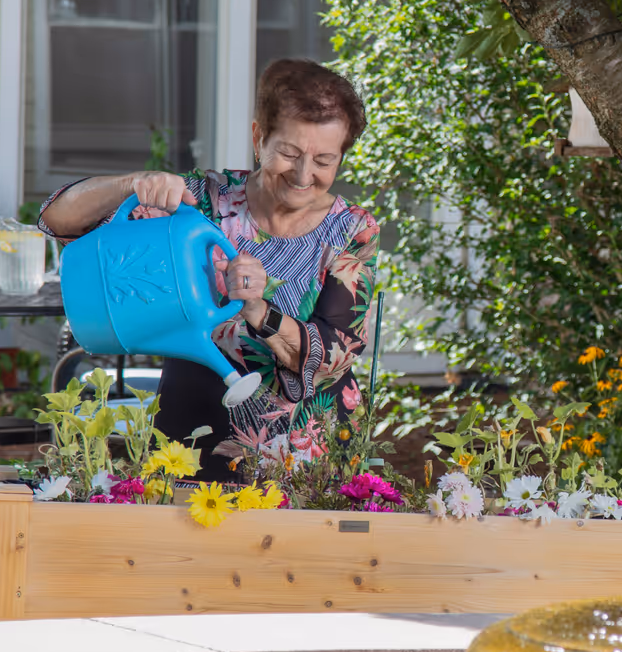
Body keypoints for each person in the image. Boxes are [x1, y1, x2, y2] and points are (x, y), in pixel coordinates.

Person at [40, 59, 380, 481]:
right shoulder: (198, 202)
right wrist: (133, 183)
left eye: (324, 160)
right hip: (194, 436)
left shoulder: (352, 229)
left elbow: (332, 357)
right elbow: (58, 220)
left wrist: (259, 310)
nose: (303, 174)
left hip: (311, 457)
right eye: (289, 152)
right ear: (259, 138)